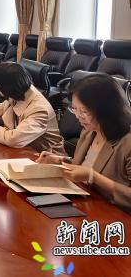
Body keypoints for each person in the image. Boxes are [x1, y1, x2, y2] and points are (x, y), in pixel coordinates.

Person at [37, 74, 131, 213]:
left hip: (114, 215)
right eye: (74, 109)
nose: (77, 116)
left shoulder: (127, 142)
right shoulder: (89, 131)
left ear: (106, 110)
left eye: (84, 111)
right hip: (84, 202)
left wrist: (94, 177)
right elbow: (85, 166)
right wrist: (59, 160)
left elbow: (90, 172)